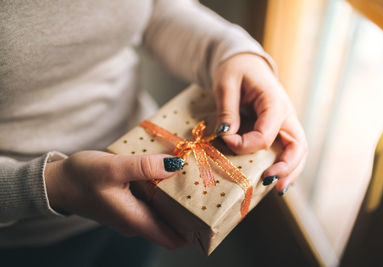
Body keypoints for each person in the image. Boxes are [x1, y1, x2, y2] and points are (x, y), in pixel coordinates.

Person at [0, 0, 307, 266]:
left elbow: (159, 10)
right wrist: (50, 186)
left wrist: (235, 54)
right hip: (23, 236)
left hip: (147, 190)